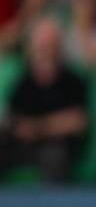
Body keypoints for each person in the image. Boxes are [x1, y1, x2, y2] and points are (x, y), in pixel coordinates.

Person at [0, 16, 88, 182]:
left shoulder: (73, 81)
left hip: (55, 147)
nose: (45, 49)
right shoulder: (24, 82)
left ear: (59, 46)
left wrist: (37, 128)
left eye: (50, 43)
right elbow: (13, 118)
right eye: (41, 44)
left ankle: (54, 206)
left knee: (55, 156)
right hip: (23, 147)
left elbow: (78, 122)